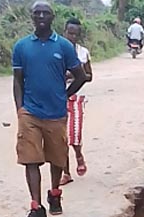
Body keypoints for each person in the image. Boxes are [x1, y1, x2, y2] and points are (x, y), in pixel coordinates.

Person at [12, 1, 87, 217]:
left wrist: (64, 95)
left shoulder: (63, 46)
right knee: (30, 159)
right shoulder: (21, 47)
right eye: (37, 13)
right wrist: (20, 108)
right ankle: (36, 208)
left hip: (56, 113)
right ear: (32, 17)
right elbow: (17, 80)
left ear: (52, 17)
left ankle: (54, 194)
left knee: (57, 157)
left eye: (46, 13)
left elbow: (81, 76)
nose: (41, 16)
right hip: (30, 113)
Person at [61, 18, 93, 186]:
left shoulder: (82, 53)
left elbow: (89, 76)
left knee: (74, 134)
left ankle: (79, 155)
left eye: (75, 34)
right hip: (57, 97)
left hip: (76, 98)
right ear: (64, 32)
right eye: (69, 33)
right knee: (61, 138)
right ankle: (65, 173)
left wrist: (74, 75)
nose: (71, 37)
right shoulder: (56, 51)